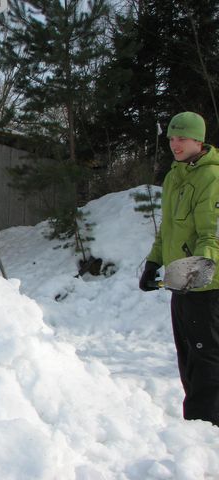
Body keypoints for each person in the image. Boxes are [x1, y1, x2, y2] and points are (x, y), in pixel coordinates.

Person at [140, 111, 219, 425]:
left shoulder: (212, 178)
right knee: (187, 357)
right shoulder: (174, 176)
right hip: (182, 283)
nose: (175, 144)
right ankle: (195, 426)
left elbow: (212, 233)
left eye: (182, 138)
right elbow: (168, 229)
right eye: (172, 138)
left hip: (207, 286)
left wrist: (199, 269)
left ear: (198, 140)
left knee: (207, 359)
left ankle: (207, 426)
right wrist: (153, 262)